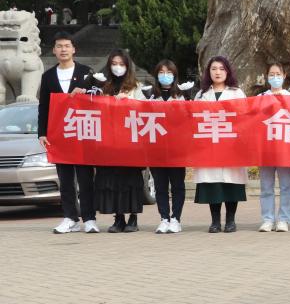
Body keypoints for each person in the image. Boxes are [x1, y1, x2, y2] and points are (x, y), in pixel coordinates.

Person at [37, 32, 98, 233]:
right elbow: (44, 107)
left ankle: (89, 218)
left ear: (73, 49)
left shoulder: (86, 73)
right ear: (54, 50)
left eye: (67, 46)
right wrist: (42, 132)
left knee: (85, 178)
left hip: (82, 132)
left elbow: (98, 99)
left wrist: (87, 91)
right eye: (59, 46)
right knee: (65, 180)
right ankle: (70, 217)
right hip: (59, 135)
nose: (63, 49)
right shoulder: (48, 76)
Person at [93, 50, 147, 233]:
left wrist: (127, 102)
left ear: (127, 66)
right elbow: (96, 110)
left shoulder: (136, 87)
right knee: (113, 179)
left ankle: (133, 218)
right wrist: (109, 101)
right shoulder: (104, 86)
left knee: (130, 180)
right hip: (109, 142)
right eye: (114, 64)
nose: (118, 67)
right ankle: (118, 218)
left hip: (130, 142)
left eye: (121, 64)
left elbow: (145, 109)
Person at [194, 56, 248, 233]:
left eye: (221, 69)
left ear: (227, 71)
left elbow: (245, 117)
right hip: (209, 145)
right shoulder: (201, 95)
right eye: (214, 69)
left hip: (231, 145)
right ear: (208, 72)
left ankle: (231, 220)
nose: (217, 72)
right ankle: (215, 221)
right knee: (213, 184)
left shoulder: (236, 93)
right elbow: (194, 119)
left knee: (232, 183)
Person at [149, 60, 189, 234]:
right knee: (160, 185)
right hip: (156, 147)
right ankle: (164, 218)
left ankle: (176, 218)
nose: (165, 75)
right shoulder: (149, 94)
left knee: (177, 184)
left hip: (176, 148)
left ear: (175, 75)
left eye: (169, 72)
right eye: (161, 72)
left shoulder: (182, 94)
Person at [258, 61, 290, 232]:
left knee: (286, 185)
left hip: (285, 149)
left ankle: (283, 219)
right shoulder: (260, 98)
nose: (275, 77)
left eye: (278, 74)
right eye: (271, 74)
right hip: (265, 148)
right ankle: (267, 219)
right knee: (266, 186)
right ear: (267, 77)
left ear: (284, 76)